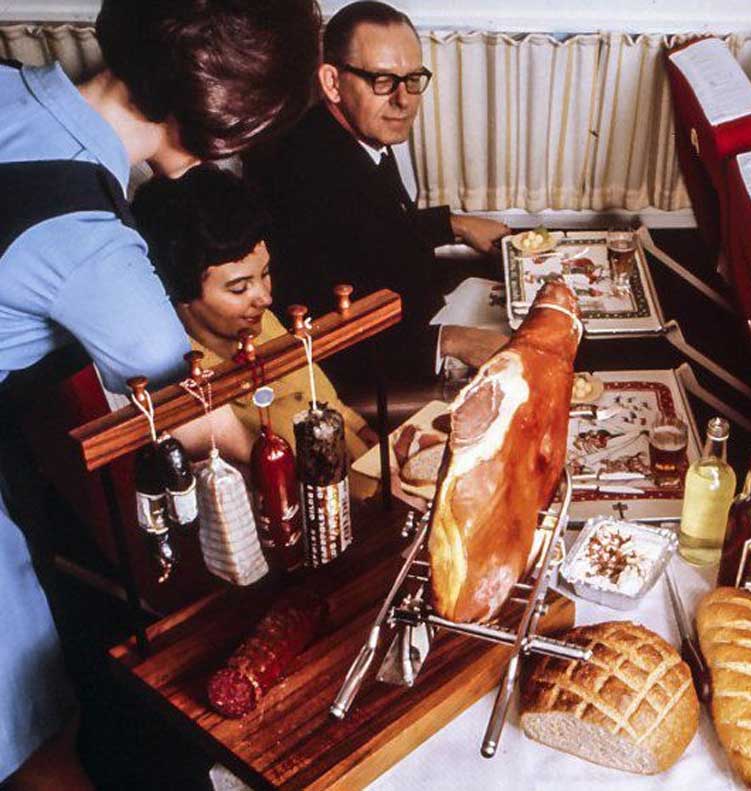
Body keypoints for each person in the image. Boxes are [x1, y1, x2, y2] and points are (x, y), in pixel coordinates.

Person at [0, 0, 320, 786]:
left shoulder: (15, 84)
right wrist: (302, 485)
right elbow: (198, 417)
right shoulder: (93, 246)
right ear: (222, 117)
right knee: (36, 734)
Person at [243, 1, 510, 389]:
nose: (403, 100)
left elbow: (374, 229)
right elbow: (325, 340)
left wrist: (454, 224)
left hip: (417, 314)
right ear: (332, 82)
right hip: (390, 367)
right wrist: (453, 340)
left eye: (412, 79)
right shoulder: (305, 180)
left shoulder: (342, 136)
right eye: (382, 81)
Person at [131, 165, 377, 499]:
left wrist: (371, 438)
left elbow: (330, 405)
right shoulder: (185, 388)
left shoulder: (258, 322)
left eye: (265, 274)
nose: (266, 297)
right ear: (180, 294)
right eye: (239, 288)